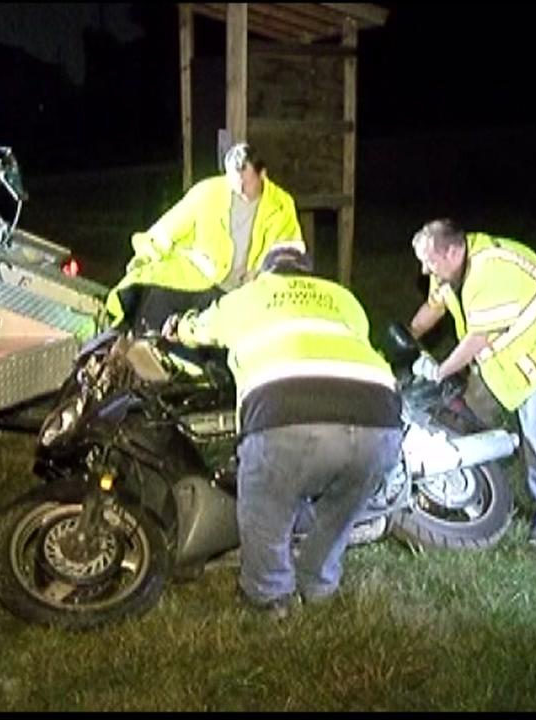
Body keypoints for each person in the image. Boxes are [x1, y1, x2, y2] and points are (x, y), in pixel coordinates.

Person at [164, 246, 402, 618]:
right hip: (380, 419)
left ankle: (269, 596)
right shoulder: (343, 298)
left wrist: (177, 326)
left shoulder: (248, 297)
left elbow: (199, 329)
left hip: (288, 416)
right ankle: (319, 586)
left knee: (265, 508)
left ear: (264, 274)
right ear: (307, 273)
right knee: (339, 513)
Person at [407, 218, 536, 547]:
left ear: (454, 251)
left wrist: (442, 369)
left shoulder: (488, 273)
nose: (424, 270)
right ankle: (461, 476)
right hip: (504, 351)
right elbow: (435, 305)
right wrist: (405, 337)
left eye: (429, 261)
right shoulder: (447, 268)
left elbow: (477, 339)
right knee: (470, 408)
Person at [105, 142, 306, 334]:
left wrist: (261, 275)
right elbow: (168, 229)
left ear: (262, 174)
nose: (240, 189)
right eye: (235, 182)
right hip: (199, 280)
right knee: (152, 304)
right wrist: (144, 256)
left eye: (246, 182)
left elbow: (291, 255)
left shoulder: (282, 205)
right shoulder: (209, 192)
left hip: (244, 296)